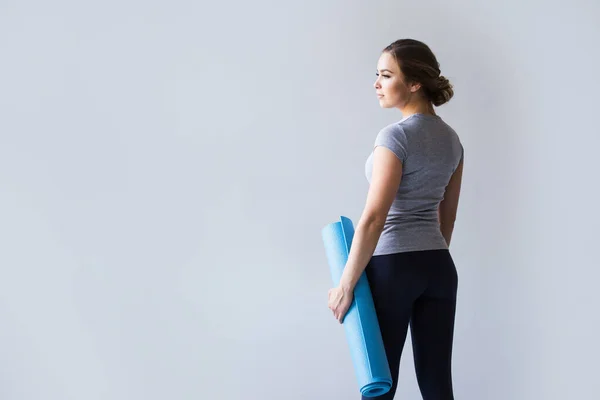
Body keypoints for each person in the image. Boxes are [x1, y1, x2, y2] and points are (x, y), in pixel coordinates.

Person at [327, 38, 464, 400]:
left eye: (386, 75)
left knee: (379, 384)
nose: (377, 83)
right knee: (437, 385)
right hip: (438, 266)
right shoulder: (452, 141)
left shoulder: (395, 137)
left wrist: (345, 285)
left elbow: (374, 217)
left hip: (392, 268)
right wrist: (426, 260)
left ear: (415, 83)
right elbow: (446, 218)